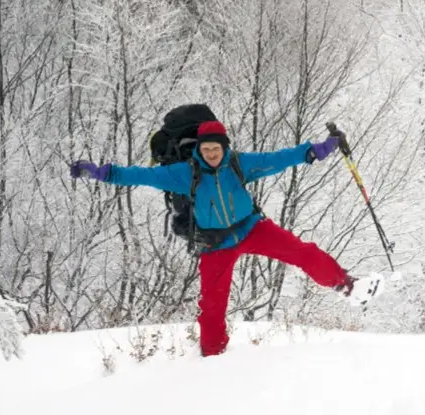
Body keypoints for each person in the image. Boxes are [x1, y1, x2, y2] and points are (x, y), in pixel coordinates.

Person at [69, 119, 381, 357]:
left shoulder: (238, 163)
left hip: (252, 227)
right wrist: (103, 173)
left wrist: (316, 151)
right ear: (198, 150)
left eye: (216, 149)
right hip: (215, 244)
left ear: (225, 147)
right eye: (206, 150)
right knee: (212, 309)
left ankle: (347, 285)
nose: (211, 154)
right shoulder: (183, 173)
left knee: (303, 252)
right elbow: (141, 175)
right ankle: (213, 361)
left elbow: (280, 158)